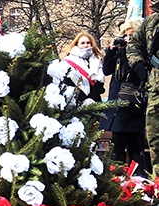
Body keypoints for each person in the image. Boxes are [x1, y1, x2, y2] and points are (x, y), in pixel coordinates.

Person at [103, 22, 146, 170]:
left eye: (131, 35)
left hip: (134, 104)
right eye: (125, 35)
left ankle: (140, 181)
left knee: (135, 147)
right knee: (117, 148)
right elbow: (106, 70)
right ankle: (117, 182)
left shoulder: (142, 52)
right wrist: (111, 51)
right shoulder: (119, 52)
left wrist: (132, 50)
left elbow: (138, 71)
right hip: (118, 105)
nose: (127, 39)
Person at [129, 12, 159, 175]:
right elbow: (134, 44)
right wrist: (138, 65)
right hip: (155, 88)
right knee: (155, 138)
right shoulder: (153, 21)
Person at [62, 32, 105, 102]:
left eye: (88, 43)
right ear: (77, 44)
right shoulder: (69, 60)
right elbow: (68, 82)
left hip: (95, 100)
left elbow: (100, 83)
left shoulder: (97, 60)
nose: (86, 45)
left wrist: (91, 99)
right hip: (76, 100)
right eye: (82, 43)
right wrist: (84, 99)